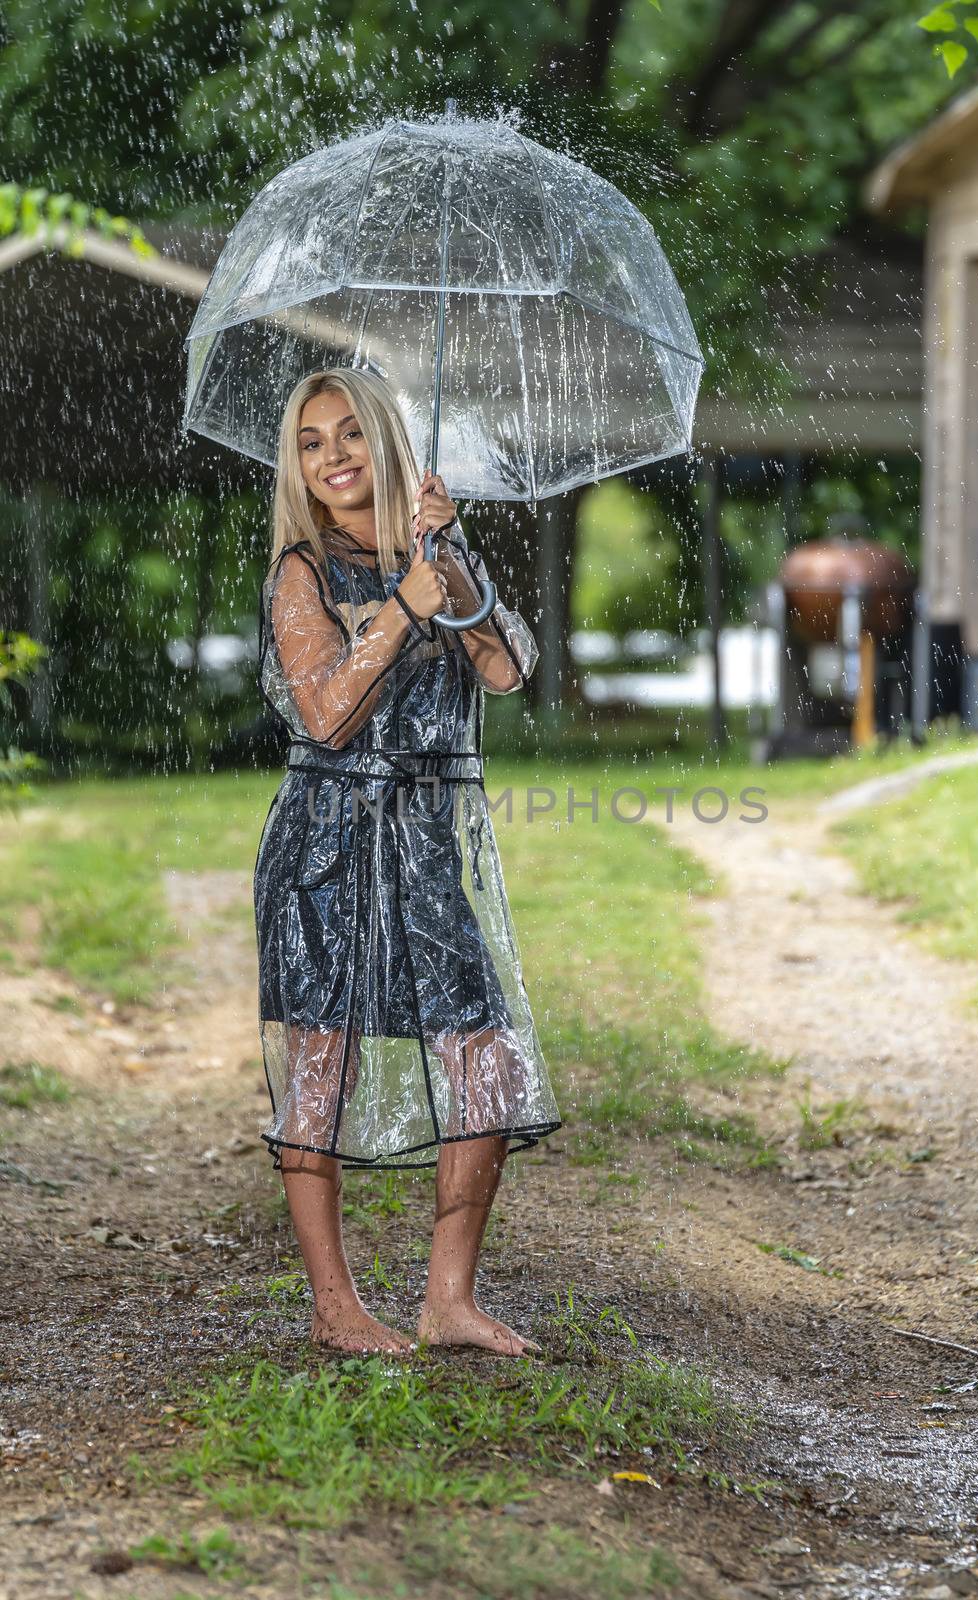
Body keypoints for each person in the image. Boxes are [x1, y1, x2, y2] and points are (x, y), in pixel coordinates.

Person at [253, 365, 561, 1358]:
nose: (333, 455)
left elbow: (506, 669)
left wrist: (448, 569)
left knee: (483, 1059)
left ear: (385, 444)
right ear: (297, 467)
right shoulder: (299, 570)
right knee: (321, 1065)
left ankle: (447, 1299)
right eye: (310, 442)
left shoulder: (439, 550)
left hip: (430, 844)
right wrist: (398, 607)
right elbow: (325, 713)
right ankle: (336, 1307)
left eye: (349, 434)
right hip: (326, 844)